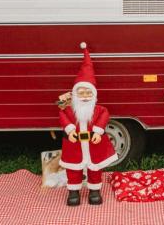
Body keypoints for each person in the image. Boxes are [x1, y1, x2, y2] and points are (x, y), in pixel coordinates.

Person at [58, 42, 118, 206]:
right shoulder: (69, 109)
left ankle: (94, 190)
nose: (85, 96)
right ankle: (73, 192)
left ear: (94, 94)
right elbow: (62, 115)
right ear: (75, 94)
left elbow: (105, 115)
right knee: (73, 168)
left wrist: (98, 132)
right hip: (74, 144)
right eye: (81, 92)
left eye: (88, 92)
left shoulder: (98, 109)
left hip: (94, 144)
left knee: (95, 167)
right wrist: (70, 130)